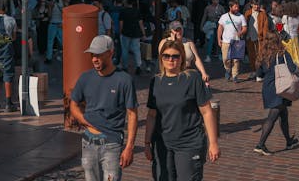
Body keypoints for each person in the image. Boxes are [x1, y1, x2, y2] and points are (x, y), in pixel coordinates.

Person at [145, 37, 219, 180]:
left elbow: (207, 112)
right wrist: (147, 143)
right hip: (162, 144)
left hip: (189, 143)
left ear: (182, 58)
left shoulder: (193, 78)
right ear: (161, 58)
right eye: (166, 56)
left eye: (175, 56)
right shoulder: (156, 81)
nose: (170, 60)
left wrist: (213, 143)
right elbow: (152, 115)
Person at [70, 35, 139, 181]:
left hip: (112, 143)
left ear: (110, 53)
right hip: (88, 141)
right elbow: (73, 104)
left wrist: (129, 147)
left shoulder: (124, 80)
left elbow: (132, 114)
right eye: (92, 55)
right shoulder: (85, 78)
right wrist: (84, 120)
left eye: (99, 55)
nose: (94, 59)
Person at [253, 33, 299, 155]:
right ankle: (260, 144)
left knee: (283, 114)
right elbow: (291, 68)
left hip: (268, 88)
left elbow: (259, 74)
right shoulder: (282, 54)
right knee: (272, 117)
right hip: (281, 88)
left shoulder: (262, 55)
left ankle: (289, 141)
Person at [217, 0, 248, 83]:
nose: (237, 8)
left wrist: (241, 32)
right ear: (230, 7)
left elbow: (245, 28)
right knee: (225, 59)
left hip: (236, 41)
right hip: (226, 41)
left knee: (236, 59)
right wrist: (219, 39)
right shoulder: (224, 17)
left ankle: (235, 76)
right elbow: (220, 28)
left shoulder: (241, 16)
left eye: (238, 7)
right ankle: (227, 69)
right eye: (235, 7)